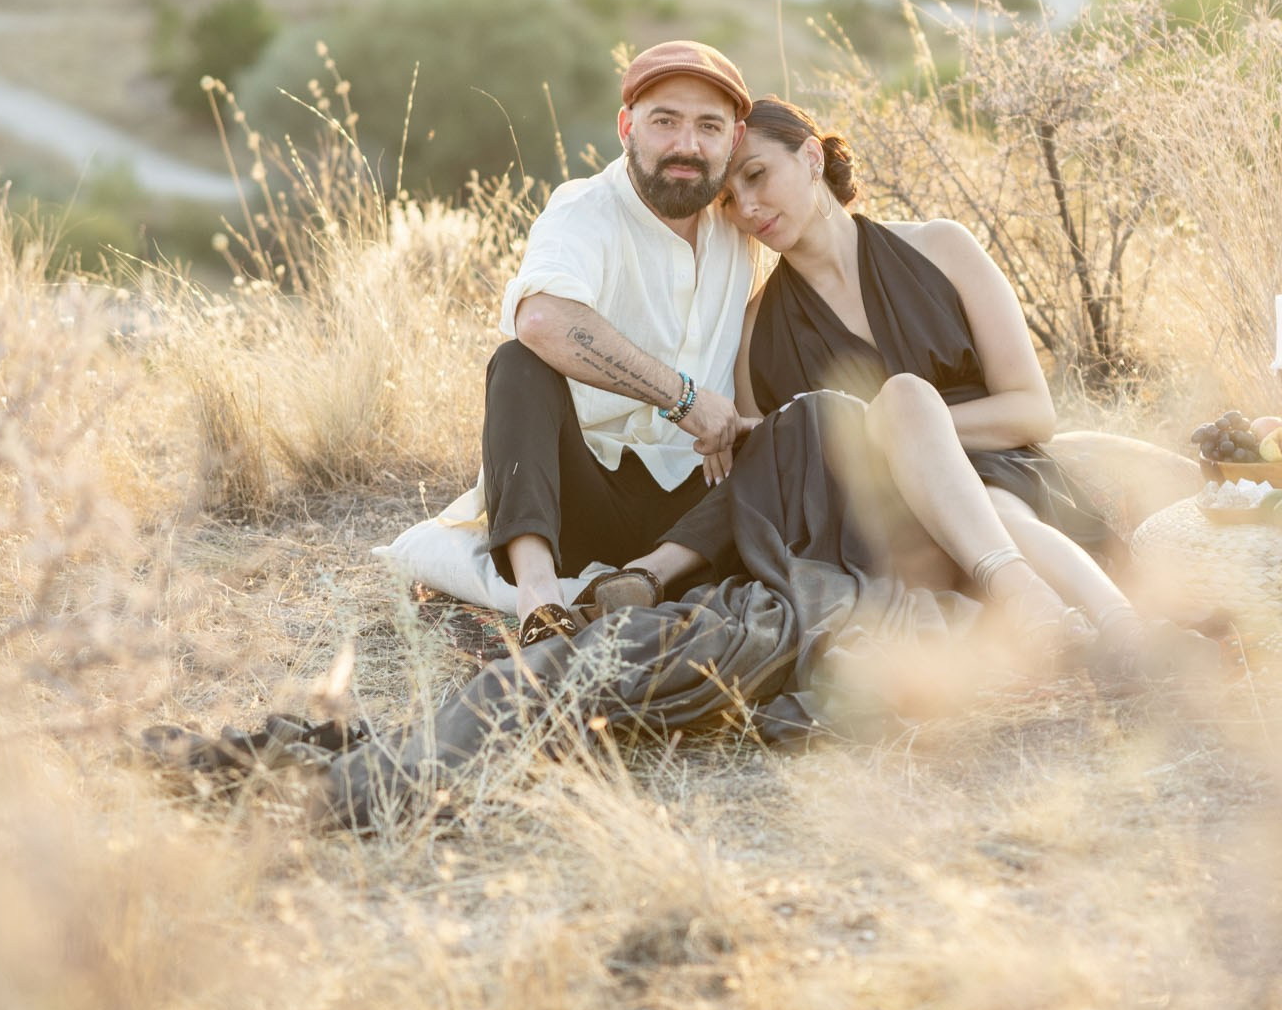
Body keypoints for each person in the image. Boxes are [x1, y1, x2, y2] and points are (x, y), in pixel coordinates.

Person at [609, 96, 1202, 652]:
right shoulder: (755, 329)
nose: (748, 207)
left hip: (1001, 468)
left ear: (811, 157)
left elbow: (1031, 410)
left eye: (757, 175)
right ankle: (1099, 628)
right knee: (948, 468)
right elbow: (782, 457)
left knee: (997, 504)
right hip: (879, 523)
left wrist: (906, 427)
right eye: (729, 200)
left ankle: (1120, 633)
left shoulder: (943, 248)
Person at [477, 38, 761, 645]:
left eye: (709, 126)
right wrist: (685, 399)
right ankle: (539, 602)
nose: (687, 145)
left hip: (699, 507)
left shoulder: (744, 224)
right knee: (516, 365)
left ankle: (648, 580)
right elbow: (543, 320)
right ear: (627, 126)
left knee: (797, 429)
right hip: (587, 495)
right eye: (665, 122)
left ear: (733, 140)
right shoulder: (584, 210)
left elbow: (826, 223)